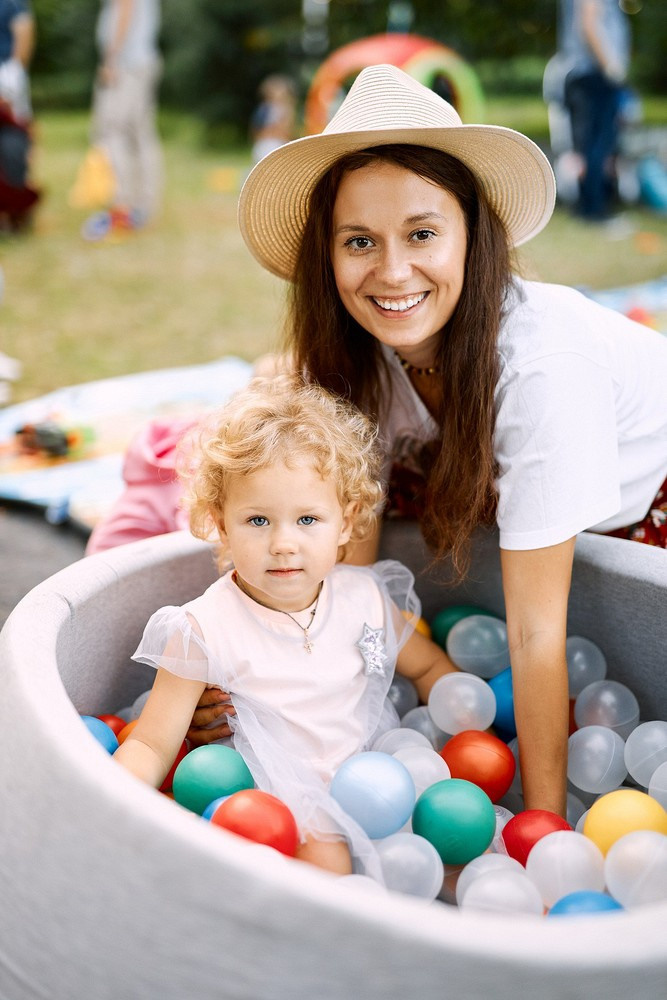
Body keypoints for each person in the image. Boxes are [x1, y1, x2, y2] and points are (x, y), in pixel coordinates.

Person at [91, 64, 667, 819]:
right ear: (327, 258)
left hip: (640, 508)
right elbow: (336, 584)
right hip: (482, 480)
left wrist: (542, 828)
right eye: (359, 241)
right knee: (303, 476)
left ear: (473, 236)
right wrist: (237, 683)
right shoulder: (356, 357)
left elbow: (533, 633)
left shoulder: (542, 368)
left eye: (422, 233)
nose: (393, 272)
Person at [114, 374, 459, 877]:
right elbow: (151, 742)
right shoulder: (204, 628)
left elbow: (426, 667)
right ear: (221, 523)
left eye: (307, 520)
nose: (283, 544)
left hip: (372, 781)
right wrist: (111, 801)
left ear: (346, 521)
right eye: (258, 521)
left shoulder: (364, 598)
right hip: (271, 795)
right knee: (328, 863)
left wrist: (468, 723)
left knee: (445, 847)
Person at [82, 0, 163, 241]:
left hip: (127, 64)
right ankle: (142, 205)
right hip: (139, 62)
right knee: (138, 133)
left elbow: (126, 7)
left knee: (113, 131)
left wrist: (111, 59)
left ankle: (124, 203)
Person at [558, 0, 631, 220]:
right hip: (593, 74)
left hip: (587, 75)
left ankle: (590, 205)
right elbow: (588, 25)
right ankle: (594, 209)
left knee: (590, 144)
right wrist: (610, 65)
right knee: (596, 144)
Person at [0, 0, 38, 230]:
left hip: (6, 74)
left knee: (15, 140)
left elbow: (24, 31)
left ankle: (17, 212)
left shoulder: (11, 3)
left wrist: (12, 77)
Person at [249, 74, 297, 165]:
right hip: (268, 145)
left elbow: (287, 132)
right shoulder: (264, 110)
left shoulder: (286, 110)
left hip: (279, 144)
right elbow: (256, 132)